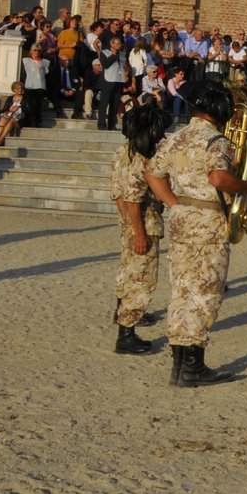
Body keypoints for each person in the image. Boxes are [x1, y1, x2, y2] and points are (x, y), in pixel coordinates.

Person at [144, 80, 247, 388]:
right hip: (206, 221)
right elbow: (219, 178)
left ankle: (179, 364)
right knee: (205, 292)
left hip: (182, 216)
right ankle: (193, 366)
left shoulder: (176, 138)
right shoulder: (215, 140)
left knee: (182, 289)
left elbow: (151, 172)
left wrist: (174, 203)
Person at [111, 102, 169, 355]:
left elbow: (118, 194)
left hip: (131, 222)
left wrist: (127, 223)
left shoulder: (124, 151)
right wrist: (139, 233)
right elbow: (134, 199)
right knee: (142, 280)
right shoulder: (142, 159)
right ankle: (126, 333)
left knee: (129, 273)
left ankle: (122, 312)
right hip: (144, 222)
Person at [0, 81, 26, 146]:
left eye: (21, 88)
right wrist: (10, 110)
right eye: (18, 88)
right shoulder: (10, 98)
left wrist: (19, 108)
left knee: (11, 121)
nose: (20, 90)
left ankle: (0, 140)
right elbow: (4, 109)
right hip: (9, 115)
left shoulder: (26, 98)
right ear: (14, 90)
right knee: (3, 118)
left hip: (20, 119)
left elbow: (28, 111)